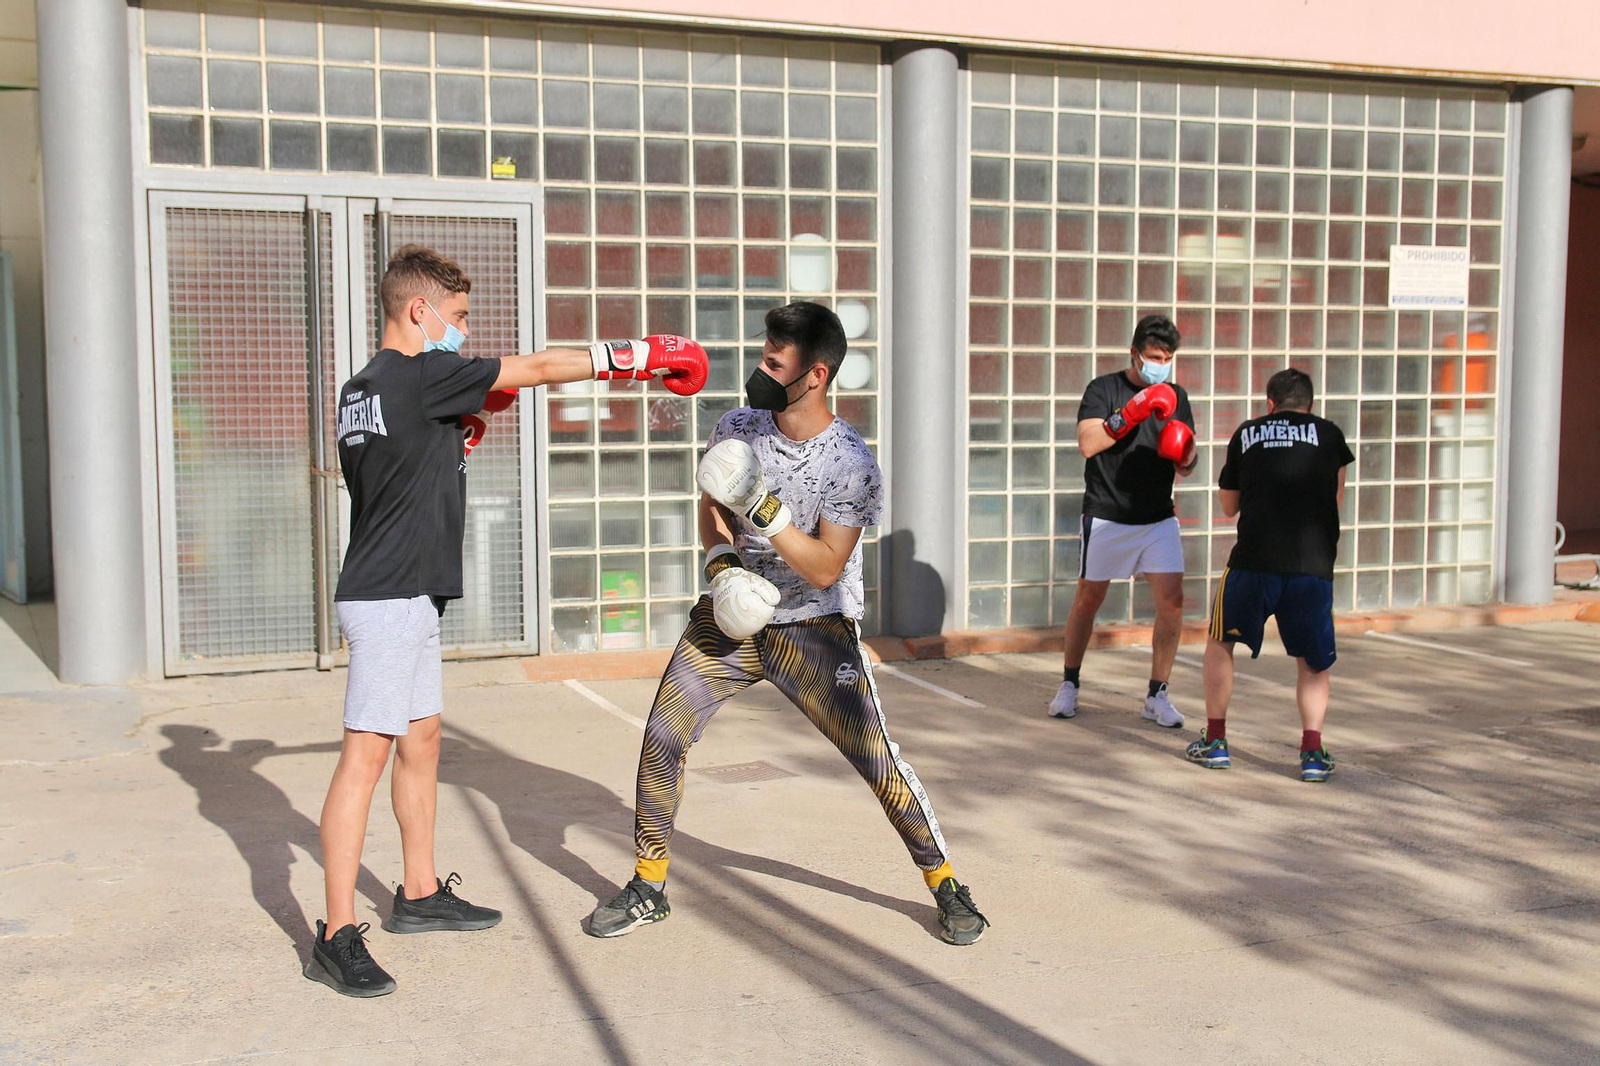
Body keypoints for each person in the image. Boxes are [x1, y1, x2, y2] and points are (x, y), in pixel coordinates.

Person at [307, 245, 708, 997]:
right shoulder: (422, 375)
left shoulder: (362, 388)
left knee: (422, 741)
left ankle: (419, 892)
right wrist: (641, 356)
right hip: (390, 596)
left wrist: (452, 435)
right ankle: (334, 933)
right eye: (457, 317)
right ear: (419, 310)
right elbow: (542, 368)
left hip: (404, 591)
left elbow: (391, 475)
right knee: (364, 758)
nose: (463, 333)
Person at [584, 301, 989, 947]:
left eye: (775, 363)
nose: (760, 372)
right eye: (763, 357)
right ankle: (648, 884)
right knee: (663, 733)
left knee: (877, 762)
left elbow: (826, 566)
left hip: (813, 626)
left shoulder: (850, 463)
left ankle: (945, 882)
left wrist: (762, 506)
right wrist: (722, 567)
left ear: (816, 375)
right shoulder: (738, 426)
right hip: (733, 611)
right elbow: (712, 506)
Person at [1186, 368, 1353, 783]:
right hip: (1311, 567)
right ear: (1311, 406)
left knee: (1221, 642)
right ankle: (1312, 754)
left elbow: (1229, 507)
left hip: (1253, 561)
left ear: (1270, 403)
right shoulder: (1330, 435)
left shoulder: (1247, 433)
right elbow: (1335, 499)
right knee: (1312, 662)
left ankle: (1216, 742)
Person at [1049, 315, 1199, 726]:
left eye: (1167, 358)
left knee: (1172, 602)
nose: (1161, 365)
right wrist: (1131, 413)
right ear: (1135, 353)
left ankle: (1157, 694)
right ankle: (1070, 683)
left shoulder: (1176, 396)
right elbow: (1087, 443)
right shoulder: (1103, 390)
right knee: (1088, 599)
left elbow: (1188, 465)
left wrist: (1184, 452)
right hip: (1107, 513)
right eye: (1154, 357)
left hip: (1157, 517)